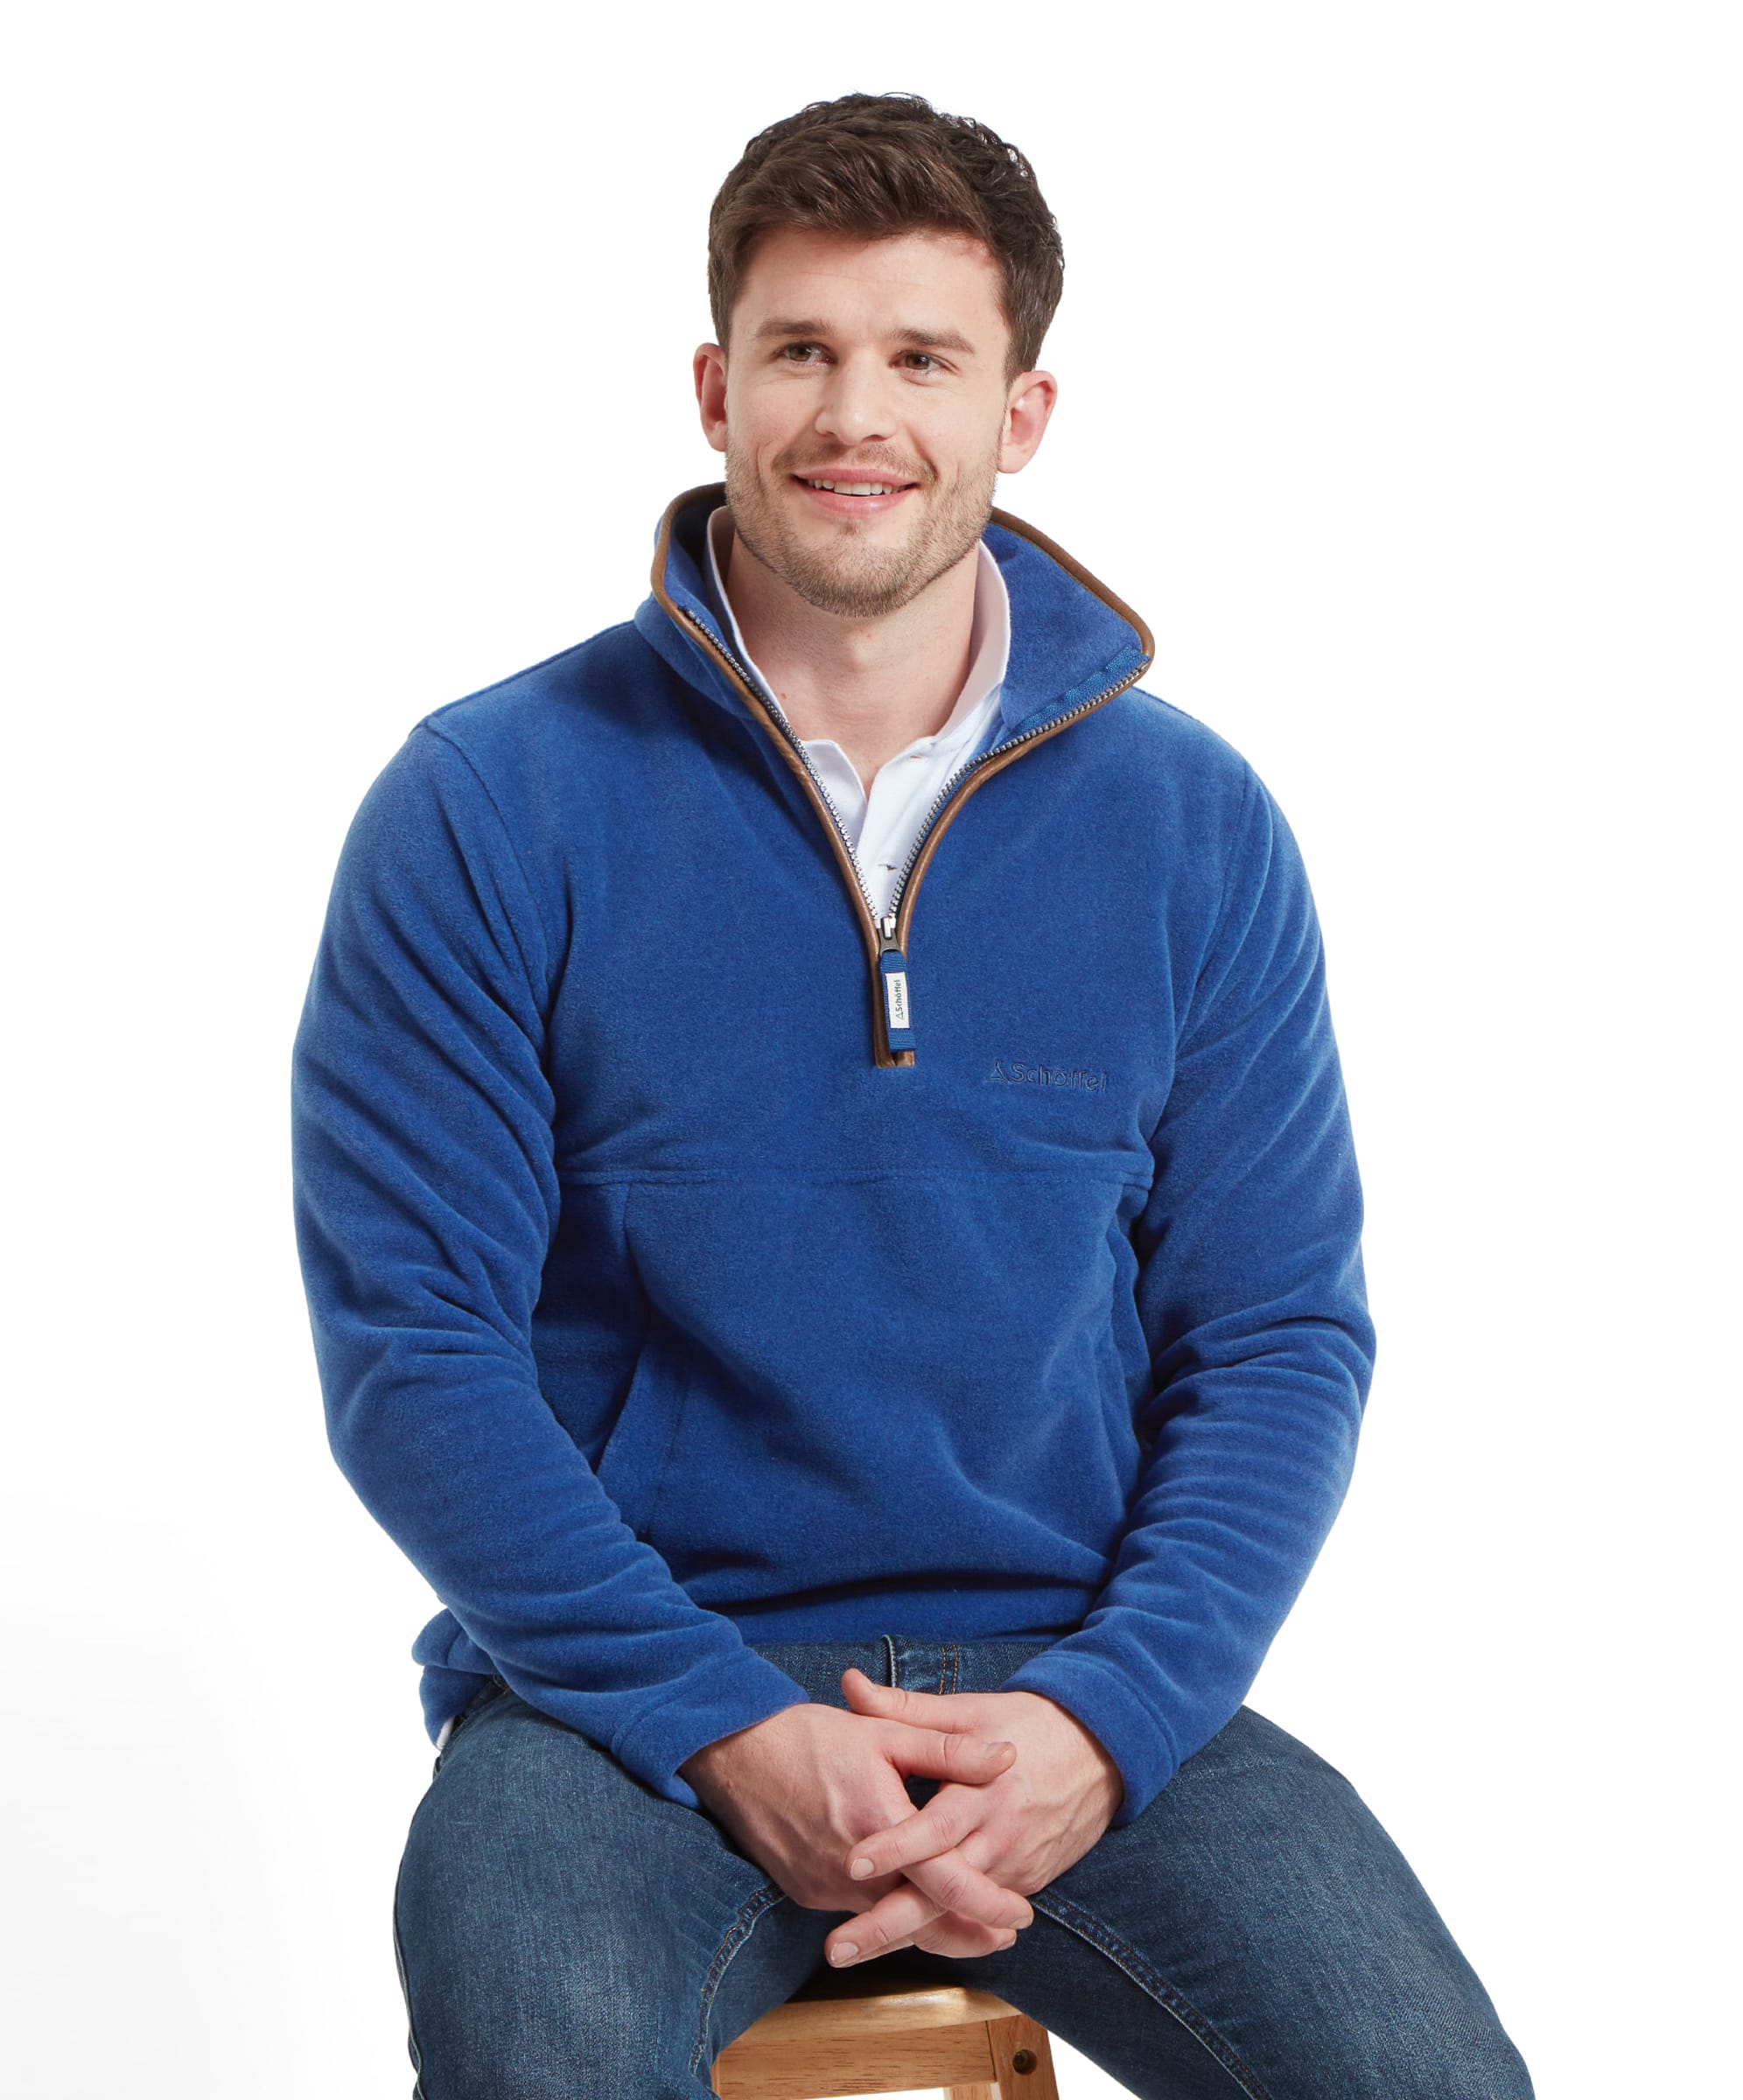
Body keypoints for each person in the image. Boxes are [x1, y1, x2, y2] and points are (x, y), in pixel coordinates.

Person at [290, 89, 1534, 2100]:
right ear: (714, 387)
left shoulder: (1192, 828)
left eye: (921, 358)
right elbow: (414, 1363)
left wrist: (1109, 1721)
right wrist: (718, 1720)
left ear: (1020, 412)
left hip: (1077, 1684)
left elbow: (1280, 1336)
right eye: (802, 350)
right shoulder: (491, 805)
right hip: (613, 1708)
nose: (853, 413)